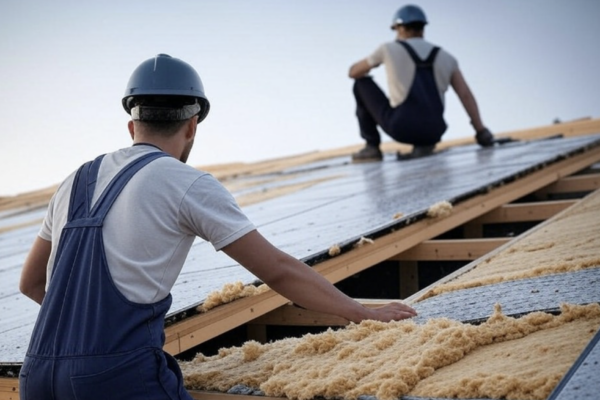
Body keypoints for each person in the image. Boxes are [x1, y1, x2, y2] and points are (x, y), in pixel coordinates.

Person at [18, 53, 417, 400]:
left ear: (131, 126)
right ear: (192, 125)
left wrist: (77, 341)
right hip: (114, 379)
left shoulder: (75, 180)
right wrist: (362, 313)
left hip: (35, 376)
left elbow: (31, 284)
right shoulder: (185, 182)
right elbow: (277, 269)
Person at [349, 4, 495, 162]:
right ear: (423, 28)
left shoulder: (388, 49)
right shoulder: (447, 57)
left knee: (361, 83)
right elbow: (465, 95)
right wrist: (480, 130)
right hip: (435, 131)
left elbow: (353, 72)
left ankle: (372, 147)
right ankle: (424, 145)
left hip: (402, 128)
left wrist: (376, 62)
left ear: (400, 28)